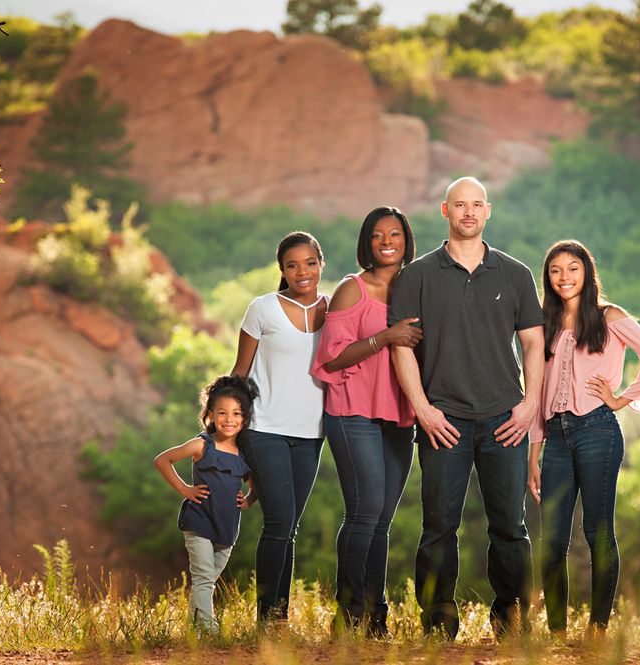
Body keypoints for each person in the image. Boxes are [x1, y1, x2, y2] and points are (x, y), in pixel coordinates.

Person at [388, 176, 545, 640]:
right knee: (438, 527)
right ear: (445, 211)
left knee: (511, 529)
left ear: (488, 211)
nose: (469, 212)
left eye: (477, 204)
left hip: (505, 420)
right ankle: (438, 624)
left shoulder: (515, 273)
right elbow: (401, 348)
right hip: (443, 421)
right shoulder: (416, 275)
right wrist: (422, 408)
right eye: (460, 204)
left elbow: (533, 343)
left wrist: (529, 405)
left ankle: (511, 621)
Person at [527, 239, 640, 636]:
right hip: (555, 438)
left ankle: (598, 628)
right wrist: (533, 455)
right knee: (552, 540)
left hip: (598, 431)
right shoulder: (545, 324)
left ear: (587, 272)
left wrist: (621, 399)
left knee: (597, 531)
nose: (564, 277)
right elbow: (537, 391)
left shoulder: (609, 317)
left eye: (573, 268)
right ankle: (556, 631)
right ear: (548, 277)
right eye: (556, 270)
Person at [311, 206, 422, 638]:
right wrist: (384, 337)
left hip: (399, 414)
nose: (387, 241)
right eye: (377, 235)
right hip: (352, 411)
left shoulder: (416, 288)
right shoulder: (351, 290)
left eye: (395, 233)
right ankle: (348, 613)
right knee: (364, 511)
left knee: (381, 520)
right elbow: (331, 357)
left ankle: (376, 616)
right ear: (367, 242)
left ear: (406, 240)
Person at [232, 231, 329, 624]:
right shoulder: (262, 308)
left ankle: (276, 616)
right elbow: (239, 374)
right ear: (282, 270)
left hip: (311, 434)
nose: (302, 271)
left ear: (321, 263)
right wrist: (222, 434)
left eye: (309, 263)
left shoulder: (335, 308)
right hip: (263, 427)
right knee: (279, 521)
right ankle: (269, 620)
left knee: (289, 525)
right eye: (292, 264)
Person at [153, 374, 259, 632]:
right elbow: (162, 460)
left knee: (207, 581)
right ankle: (209, 630)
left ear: (244, 418)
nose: (229, 419)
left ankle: (195, 630)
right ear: (210, 414)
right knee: (203, 578)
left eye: (236, 414)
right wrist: (185, 489)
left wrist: (248, 500)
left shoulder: (244, 454)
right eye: (222, 413)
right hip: (199, 522)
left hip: (227, 527)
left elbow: (256, 483)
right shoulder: (202, 445)